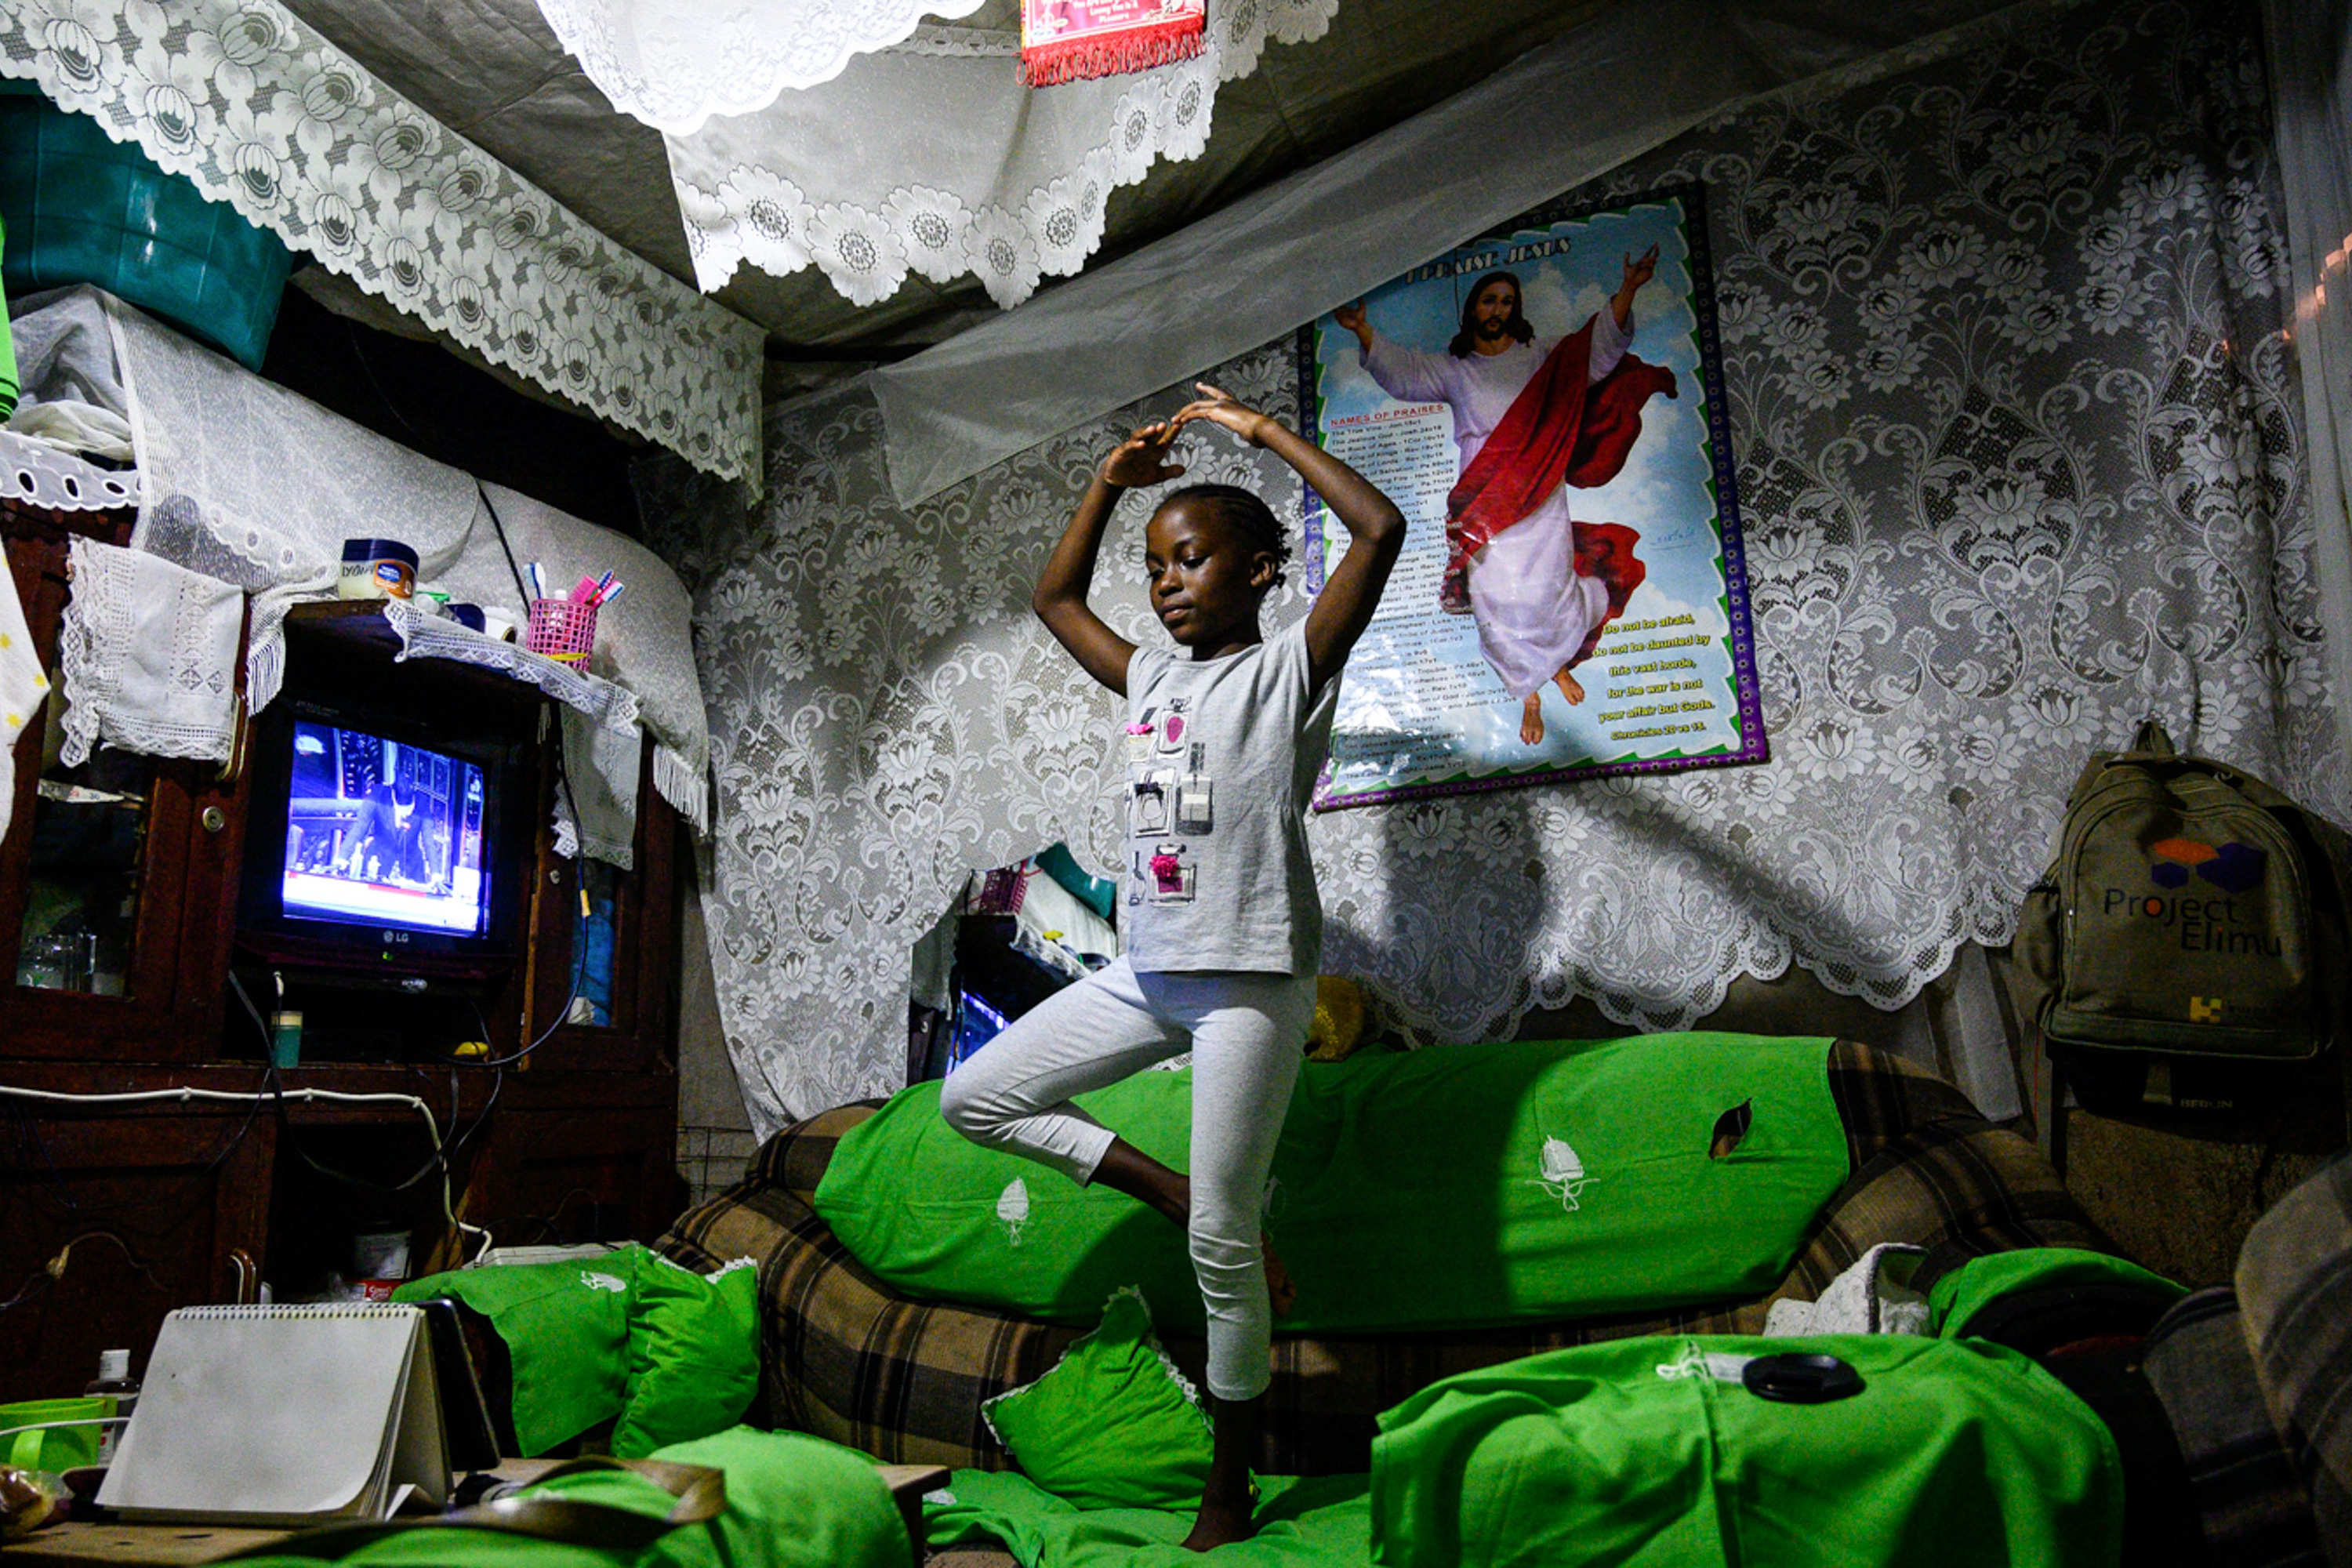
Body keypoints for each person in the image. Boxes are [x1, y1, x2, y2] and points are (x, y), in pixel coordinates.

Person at [938, 382, 1405, 1551]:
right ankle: (1175, 1187)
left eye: (1190, 559)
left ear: (1259, 571)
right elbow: (1054, 597)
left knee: (1220, 1246)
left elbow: (1381, 528)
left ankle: (1228, 1481)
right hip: (1148, 971)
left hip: (1250, 982)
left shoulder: (1288, 670)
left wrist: (1263, 433)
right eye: (1154, 568)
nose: (1165, 583)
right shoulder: (1149, 676)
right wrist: (1108, 484)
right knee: (973, 1096)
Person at [1335, 249, 1674, 745]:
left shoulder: (1541, 356)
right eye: (1489, 301)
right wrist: (1364, 331)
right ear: (1473, 308)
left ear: (1516, 309)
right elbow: (1405, 374)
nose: (1498, 309)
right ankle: (1529, 694)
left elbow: (1596, 348)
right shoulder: (1455, 368)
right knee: (1494, 598)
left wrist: (1629, 289)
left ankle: (1556, 665)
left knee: (1545, 587)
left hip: (1537, 484)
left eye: (1507, 301)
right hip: (1484, 491)